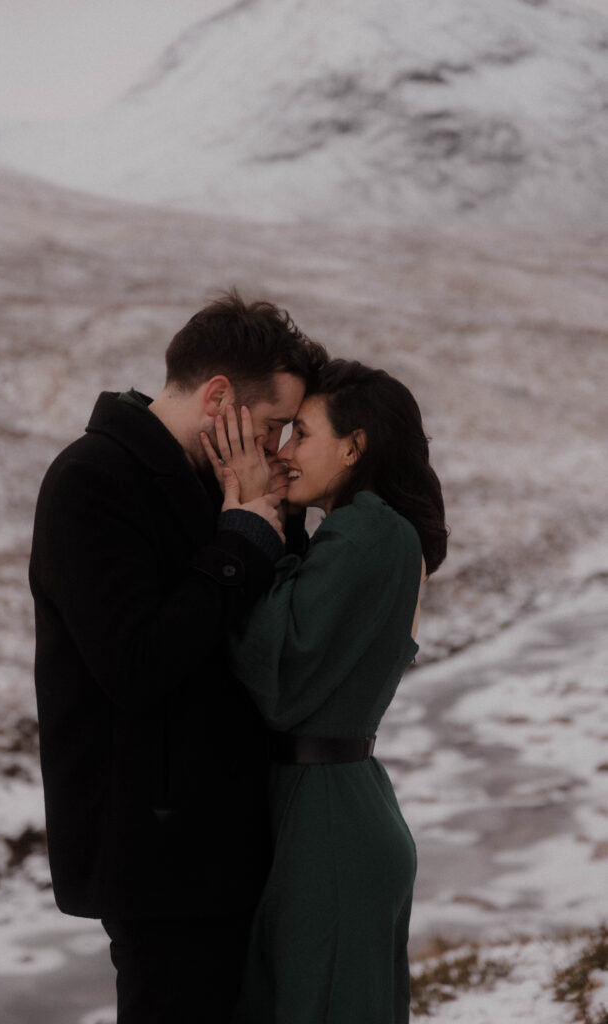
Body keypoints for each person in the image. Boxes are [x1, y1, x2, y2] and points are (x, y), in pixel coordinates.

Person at [28, 290, 327, 1024]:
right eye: (272, 426)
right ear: (218, 395)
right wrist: (241, 540)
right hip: (157, 857)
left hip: (234, 844)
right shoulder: (92, 480)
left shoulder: (221, 482)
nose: (276, 446)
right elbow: (136, 664)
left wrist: (275, 526)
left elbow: (268, 634)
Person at [205, 358, 448, 1024]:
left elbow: (278, 675)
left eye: (300, 434)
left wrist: (243, 520)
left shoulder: (369, 533)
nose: (283, 453)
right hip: (329, 805)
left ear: (353, 446)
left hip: (329, 823)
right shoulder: (361, 534)